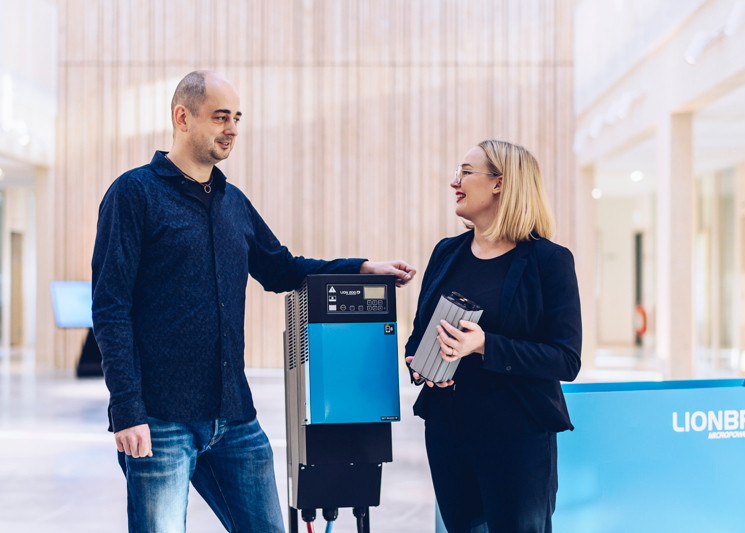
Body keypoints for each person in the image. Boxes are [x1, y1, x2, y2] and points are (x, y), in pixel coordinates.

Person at [91, 70, 416, 533]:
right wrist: (127, 411)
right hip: (160, 421)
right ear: (182, 117)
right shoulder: (134, 194)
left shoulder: (233, 203)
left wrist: (361, 269)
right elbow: (110, 307)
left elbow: (282, 268)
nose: (232, 130)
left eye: (237, 119)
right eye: (221, 117)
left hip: (235, 419)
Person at [404, 140, 581, 532]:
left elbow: (566, 360)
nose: (455, 182)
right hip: (448, 432)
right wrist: (418, 362)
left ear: (500, 183)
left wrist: (484, 344)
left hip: (516, 438)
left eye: (466, 172)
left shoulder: (549, 261)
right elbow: (419, 333)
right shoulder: (446, 253)